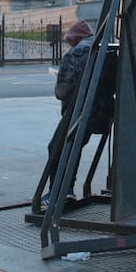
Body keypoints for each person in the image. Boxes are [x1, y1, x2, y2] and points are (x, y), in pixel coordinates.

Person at [43, 19, 116, 201]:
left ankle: (61, 191)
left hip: (80, 113)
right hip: (105, 113)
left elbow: (62, 91)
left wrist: (59, 77)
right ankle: (66, 189)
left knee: (57, 148)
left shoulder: (74, 54)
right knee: (74, 146)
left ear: (74, 39)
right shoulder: (107, 50)